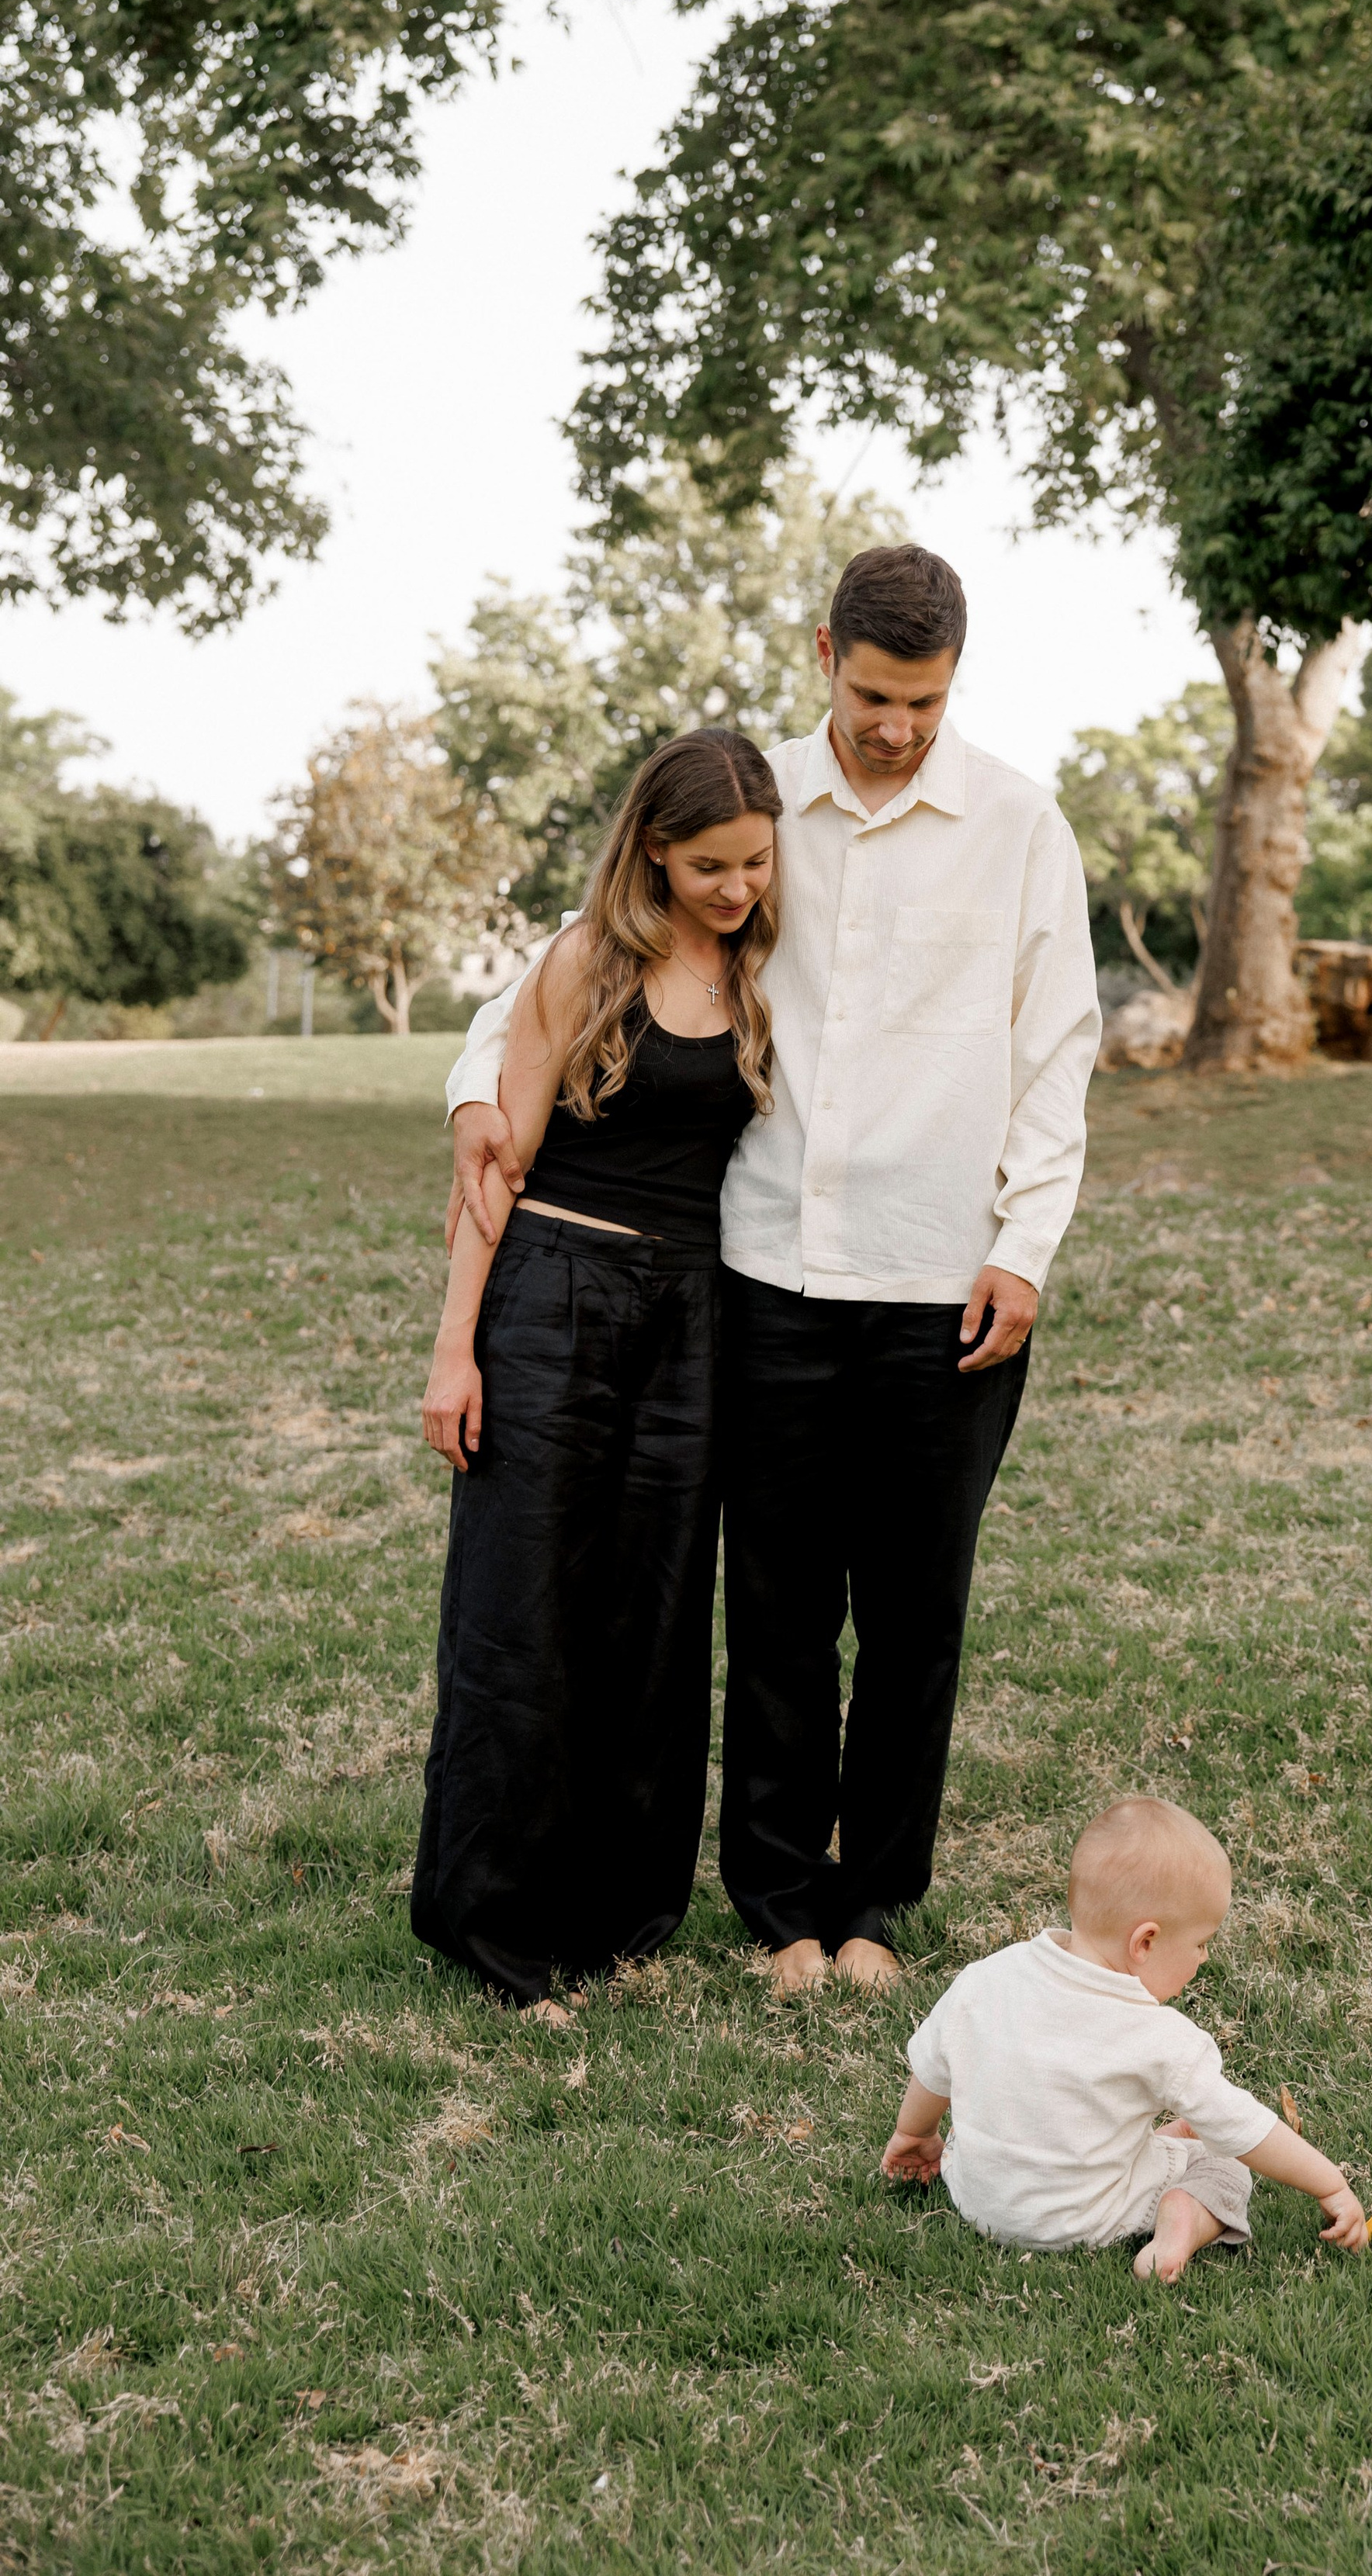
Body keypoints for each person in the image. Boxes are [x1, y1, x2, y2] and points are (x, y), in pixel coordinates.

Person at [443, 543, 1100, 1996]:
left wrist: (1025, 1249)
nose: (895, 729)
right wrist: (477, 1084)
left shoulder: (1019, 825)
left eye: (924, 703)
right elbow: (556, 970)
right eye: (873, 696)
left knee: (917, 1613)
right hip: (764, 1278)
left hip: (949, 1287)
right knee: (781, 1608)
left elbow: (1059, 1055)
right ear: (824, 658)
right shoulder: (754, 813)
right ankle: (779, 1901)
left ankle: (876, 1904)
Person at [412, 727, 782, 2005]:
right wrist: (455, 1347)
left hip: (690, 1317)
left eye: (754, 861)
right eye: (711, 866)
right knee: (526, 1612)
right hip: (551, 1298)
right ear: (655, 850)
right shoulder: (587, 960)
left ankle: (623, 1910)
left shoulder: (763, 968)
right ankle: (498, 1924)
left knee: (655, 1613)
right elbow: (494, 1164)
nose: (737, 887)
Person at [880, 1796, 1370, 2281]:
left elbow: (932, 2072)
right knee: (1223, 2165)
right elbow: (1245, 2129)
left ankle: (1145, 2149)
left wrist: (915, 2136)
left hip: (980, 2201)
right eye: (1201, 1943)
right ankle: (1181, 2228)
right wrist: (1330, 2182)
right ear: (1146, 1943)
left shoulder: (986, 1979)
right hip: (1090, 2219)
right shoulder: (1160, 2038)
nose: (1204, 1959)